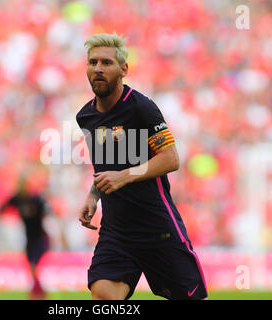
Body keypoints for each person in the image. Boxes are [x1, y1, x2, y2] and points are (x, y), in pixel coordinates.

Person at [76, 32, 208, 300]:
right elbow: (105, 165)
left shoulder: (142, 108)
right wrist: (93, 195)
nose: (98, 69)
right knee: (104, 295)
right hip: (117, 230)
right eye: (93, 63)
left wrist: (125, 176)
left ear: (124, 69)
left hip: (157, 228)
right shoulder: (86, 116)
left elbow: (171, 158)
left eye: (106, 62)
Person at [0, 179, 66, 300]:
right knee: (31, 267)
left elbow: (50, 213)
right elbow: (1, 210)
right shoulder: (16, 199)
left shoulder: (36, 200)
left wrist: (61, 234)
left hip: (40, 238)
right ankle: (40, 293)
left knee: (33, 266)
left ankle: (37, 293)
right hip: (29, 239)